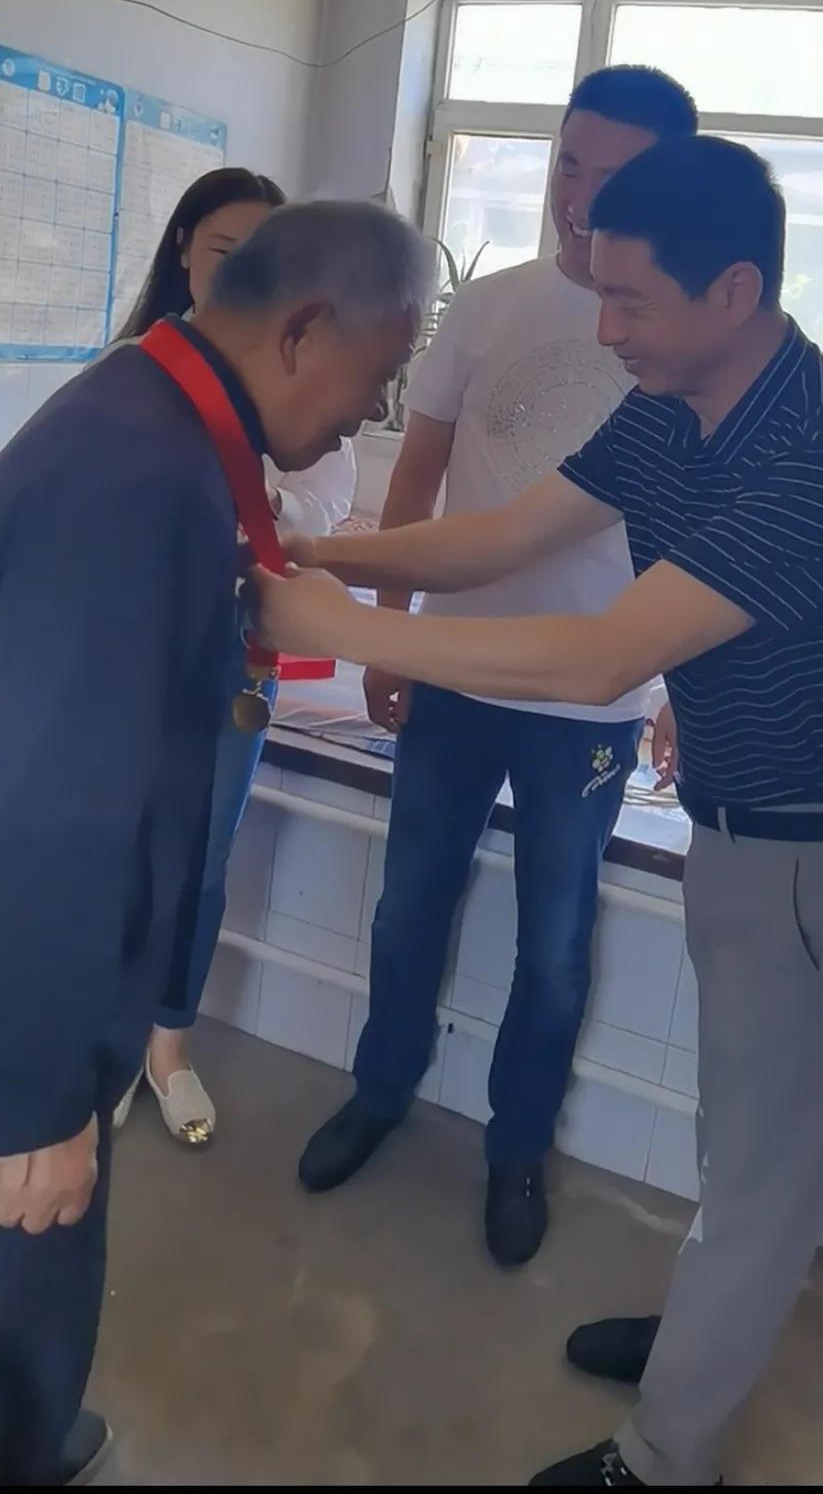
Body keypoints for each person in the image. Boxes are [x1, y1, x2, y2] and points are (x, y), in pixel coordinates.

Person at [255, 136, 823, 1489]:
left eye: (629, 300)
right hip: (740, 835)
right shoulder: (675, 409)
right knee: (736, 1149)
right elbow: (504, 536)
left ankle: (667, 1457)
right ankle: (702, 1341)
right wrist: (319, 553)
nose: (605, 328)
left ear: (734, 291)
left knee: (761, 1183)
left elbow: (601, 659)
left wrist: (328, 625)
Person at [0, 199, 428, 1487]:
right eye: (381, 373)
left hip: (33, 973)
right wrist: (33, 1099)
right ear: (303, 332)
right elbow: (37, 811)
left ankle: (22, 1432)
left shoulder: (150, 415)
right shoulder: (142, 479)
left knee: (22, 1281)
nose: (374, 410)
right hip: (8, 991)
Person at [297, 67, 697, 1267]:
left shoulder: (674, 337)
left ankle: (517, 1147)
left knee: (556, 940)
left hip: (592, 698)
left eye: (615, 176)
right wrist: (389, 628)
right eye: (569, 164)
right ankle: (380, 1089)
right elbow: (417, 479)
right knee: (410, 901)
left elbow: (699, 534)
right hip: (455, 672)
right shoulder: (488, 308)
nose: (581, 197)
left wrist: (677, 685)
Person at [114, 167, 356, 1144]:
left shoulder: (298, 372)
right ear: (184, 250)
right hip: (132, 652)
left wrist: (251, 479)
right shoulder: (134, 366)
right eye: (224, 252)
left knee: (202, 855)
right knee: (122, 847)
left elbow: (323, 509)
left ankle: (168, 1046)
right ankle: (109, 1039)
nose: (243, 275)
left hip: (238, 652)